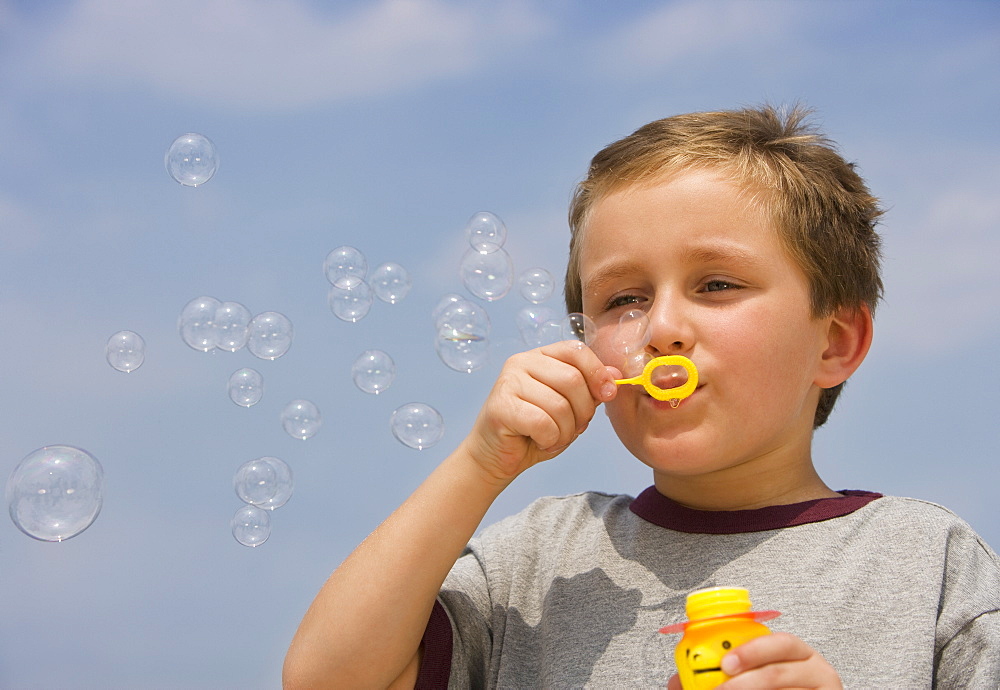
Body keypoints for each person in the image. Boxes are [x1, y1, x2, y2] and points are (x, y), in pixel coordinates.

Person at [282, 105, 1000, 688]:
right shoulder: (544, 561)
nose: (661, 328)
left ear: (834, 343)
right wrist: (480, 465)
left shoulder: (925, 562)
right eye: (624, 300)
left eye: (716, 284)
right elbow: (325, 680)